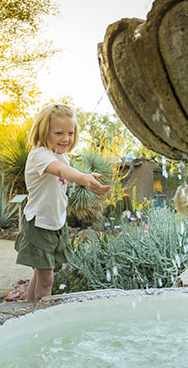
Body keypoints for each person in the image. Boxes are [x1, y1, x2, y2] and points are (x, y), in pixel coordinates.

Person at [15, 104, 111, 301]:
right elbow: (60, 170)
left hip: (55, 222)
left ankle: (28, 313)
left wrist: (84, 176)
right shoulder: (39, 155)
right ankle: (41, 321)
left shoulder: (60, 153)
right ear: (44, 131)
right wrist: (84, 178)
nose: (66, 138)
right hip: (39, 223)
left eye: (70, 132)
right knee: (47, 279)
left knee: (40, 275)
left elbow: (63, 170)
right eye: (59, 133)